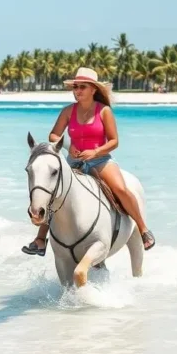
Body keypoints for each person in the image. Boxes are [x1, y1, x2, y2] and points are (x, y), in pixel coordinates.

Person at [21, 67, 155, 256]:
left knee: (120, 189)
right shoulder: (68, 111)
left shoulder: (104, 111)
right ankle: (41, 239)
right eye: (75, 87)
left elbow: (114, 141)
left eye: (82, 87)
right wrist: (69, 146)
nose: (77, 91)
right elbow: (54, 135)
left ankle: (142, 229)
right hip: (73, 161)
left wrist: (95, 152)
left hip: (99, 160)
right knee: (54, 193)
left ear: (93, 89)